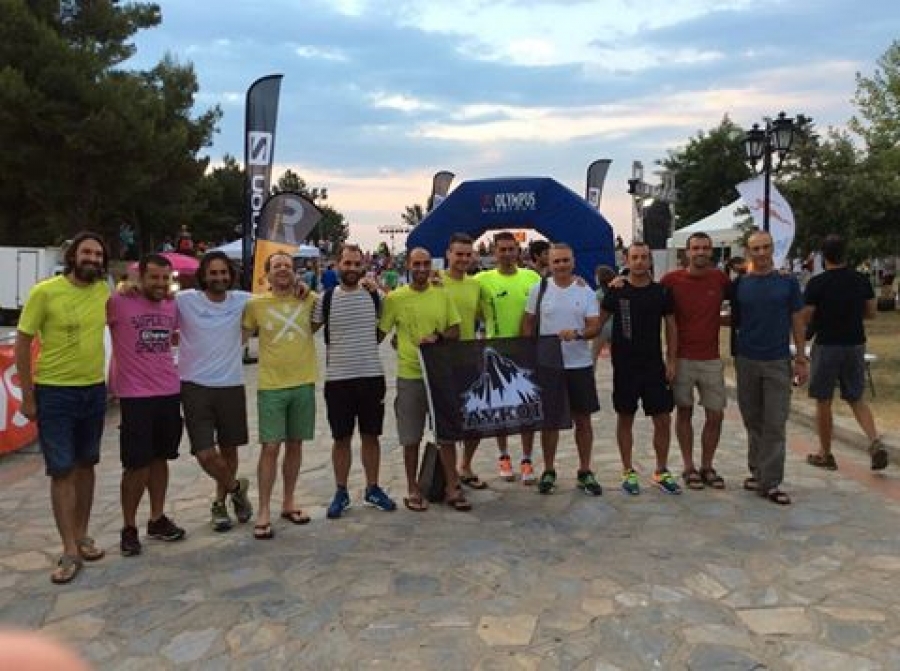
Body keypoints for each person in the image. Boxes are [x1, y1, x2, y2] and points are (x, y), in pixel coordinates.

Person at [15, 232, 111, 584]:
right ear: (73, 256)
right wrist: (28, 396)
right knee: (62, 470)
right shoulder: (45, 292)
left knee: (87, 465)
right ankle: (69, 549)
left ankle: (82, 536)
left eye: (98, 255)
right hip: (55, 393)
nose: (93, 259)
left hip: (94, 391)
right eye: (87, 253)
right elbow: (22, 342)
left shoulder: (103, 291)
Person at [378, 247, 470, 512]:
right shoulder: (395, 298)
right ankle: (412, 488)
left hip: (440, 375)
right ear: (408, 265)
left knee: (446, 435)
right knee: (411, 437)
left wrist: (437, 337)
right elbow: (381, 332)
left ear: (432, 265)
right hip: (410, 375)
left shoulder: (442, 294)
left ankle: (452, 486)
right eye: (416, 264)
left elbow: (455, 329)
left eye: (425, 264)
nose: (421, 269)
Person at [108, 253, 186, 556]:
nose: (160, 283)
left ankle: (157, 518)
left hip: (168, 390)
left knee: (161, 459)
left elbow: (174, 338)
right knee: (135, 465)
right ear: (140, 277)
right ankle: (129, 527)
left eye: (165, 278)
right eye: (154, 277)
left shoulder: (171, 305)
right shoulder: (119, 301)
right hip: (135, 395)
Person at [313, 244, 397, 519]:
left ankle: (373, 488)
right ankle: (341, 491)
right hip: (338, 379)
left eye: (356, 264)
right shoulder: (325, 299)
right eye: (347, 263)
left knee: (371, 436)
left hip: (371, 376)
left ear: (364, 266)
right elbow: (308, 327)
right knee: (341, 438)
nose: (351, 268)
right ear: (337, 265)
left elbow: (389, 320)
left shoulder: (375, 297)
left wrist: (379, 289)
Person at [176, 251, 254, 531]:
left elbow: (275, 299)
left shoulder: (243, 300)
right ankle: (236, 488)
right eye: (213, 273)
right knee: (205, 453)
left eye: (224, 272)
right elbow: (154, 300)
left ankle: (220, 504)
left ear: (231, 275)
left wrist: (300, 287)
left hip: (231, 384)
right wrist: (130, 286)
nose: (219, 277)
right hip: (194, 385)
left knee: (229, 449)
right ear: (203, 276)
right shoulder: (185, 301)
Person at [242, 251, 317, 540]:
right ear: (267, 274)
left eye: (288, 265)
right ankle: (263, 510)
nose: (283, 269)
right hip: (271, 386)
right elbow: (240, 336)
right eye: (277, 266)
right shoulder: (255, 305)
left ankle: (288, 501)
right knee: (271, 447)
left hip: (303, 382)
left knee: (295, 445)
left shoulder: (309, 299)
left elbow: (326, 313)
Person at [597, 242, 681, 496]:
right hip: (625, 366)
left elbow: (671, 327)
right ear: (627, 260)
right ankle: (627, 470)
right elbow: (598, 324)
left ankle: (661, 470)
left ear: (650, 260)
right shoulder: (616, 291)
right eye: (635, 257)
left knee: (663, 419)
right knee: (625, 417)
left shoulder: (661, 292)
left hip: (653, 365)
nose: (640, 261)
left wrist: (672, 360)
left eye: (644, 257)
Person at [731, 231, 808, 505]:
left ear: (773, 249)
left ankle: (771, 482)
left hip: (777, 360)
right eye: (756, 249)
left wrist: (801, 358)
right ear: (748, 252)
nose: (761, 253)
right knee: (753, 420)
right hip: (747, 360)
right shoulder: (740, 284)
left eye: (766, 247)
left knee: (775, 422)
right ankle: (758, 472)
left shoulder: (787, 283)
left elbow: (797, 320)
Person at [801, 234, 888, 471]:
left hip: (827, 345)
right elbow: (871, 312)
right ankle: (874, 441)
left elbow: (806, 316)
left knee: (823, 399)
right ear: (845, 254)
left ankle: (825, 453)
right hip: (855, 343)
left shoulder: (817, 283)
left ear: (823, 256)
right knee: (856, 397)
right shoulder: (861, 280)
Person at [522, 244, 603, 495]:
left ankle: (585, 470)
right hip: (549, 366)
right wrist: (530, 355)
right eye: (556, 261)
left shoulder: (585, 291)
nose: (561, 265)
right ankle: (548, 469)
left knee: (583, 420)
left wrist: (577, 334)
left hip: (579, 364)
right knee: (550, 421)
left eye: (565, 260)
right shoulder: (539, 289)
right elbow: (528, 323)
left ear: (573, 261)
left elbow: (595, 326)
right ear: (549, 264)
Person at [660, 232, 731, 490]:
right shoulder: (671, 281)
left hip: (711, 358)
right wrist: (619, 281)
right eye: (695, 248)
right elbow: (647, 295)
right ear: (687, 251)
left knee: (716, 414)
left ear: (711, 251)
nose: (700, 252)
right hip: (682, 358)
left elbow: (741, 301)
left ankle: (707, 466)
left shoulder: (720, 279)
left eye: (705, 248)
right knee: (684, 412)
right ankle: (689, 466)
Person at [476, 232, 541, 482]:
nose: (506, 254)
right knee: (500, 409)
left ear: (518, 251)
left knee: (527, 408)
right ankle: (503, 456)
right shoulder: (482, 280)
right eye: (501, 249)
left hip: (526, 351)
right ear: (494, 252)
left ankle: (526, 459)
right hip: (497, 354)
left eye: (510, 249)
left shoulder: (532, 277)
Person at [440, 234, 489, 489]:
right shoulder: (436, 282)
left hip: (469, 361)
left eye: (468, 255)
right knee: (447, 423)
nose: (463, 259)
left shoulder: (475, 285)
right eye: (459, 254)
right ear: (448, 254)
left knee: (476, 419)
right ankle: (450, 477)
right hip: (442, 362)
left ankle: (466, 465)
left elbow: (485, 316)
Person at [591, 265, 616, 362]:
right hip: (615, 326)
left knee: (593, 355)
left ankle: (591, 372)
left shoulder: (597, 294)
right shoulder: (615, 291)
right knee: (615, 356)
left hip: (601, 326)